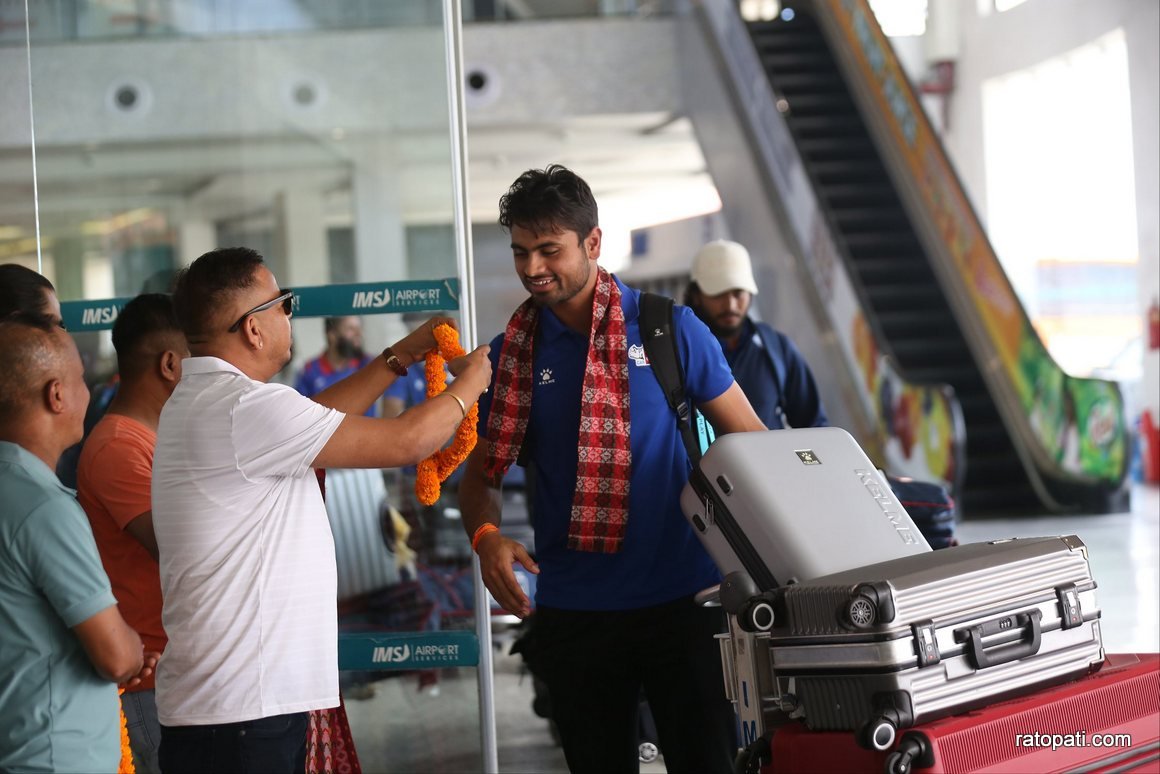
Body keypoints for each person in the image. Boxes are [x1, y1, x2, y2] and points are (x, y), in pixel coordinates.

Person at [458, 165, 766, 774]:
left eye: (550, 250)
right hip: (575, 613)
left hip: (685, 600)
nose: (532, 268)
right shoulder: (510, 357)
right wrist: (486, 536)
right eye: (521, 252)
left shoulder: (667, 329)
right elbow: (482, 474)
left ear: (592, 244)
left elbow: (751, 441)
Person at [151, 246, 491, 774]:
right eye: (282, 303)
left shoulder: (209, 401)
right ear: (252, 329)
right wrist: (473, 380)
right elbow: (409, 442)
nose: (291, 314)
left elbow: (317, 417)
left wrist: (400, 354)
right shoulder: (247, 408)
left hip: (228, 708)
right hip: (243, 714)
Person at [0, 315, 157, 772]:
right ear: (57, 394)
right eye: (82, 381)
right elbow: (115, 657)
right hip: (54, 757)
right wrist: (130, 651)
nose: (89, 394)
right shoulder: (43, 507)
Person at [76, 294, 189, 774]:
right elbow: (180, 546)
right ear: (169, 364)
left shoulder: (153, 436)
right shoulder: (119, 447)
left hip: (174, 675)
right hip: (152, 682)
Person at [684, 239, 828, 430]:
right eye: (718, 294)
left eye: (738, 293)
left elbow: (815, 426)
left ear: (750, 292)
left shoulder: (777, 348)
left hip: (771, 459)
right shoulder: (681, 351)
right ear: (696, 296)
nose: (730, 305)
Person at [295, 316, 384, 417]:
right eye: (351, 329)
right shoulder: (310, 371)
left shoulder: (367, 365)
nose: (359, 334)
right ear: (332, 335)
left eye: (359, 328)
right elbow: (300, 415)